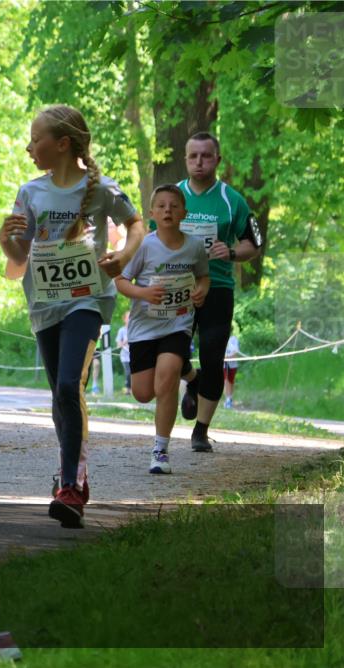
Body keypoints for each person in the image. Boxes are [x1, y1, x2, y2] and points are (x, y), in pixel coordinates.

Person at [0, 104, 144, 528]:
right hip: (45, 304)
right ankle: (70, 471)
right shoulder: (31, 192)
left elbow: (136, 224)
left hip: (88, 299)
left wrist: (124, 257)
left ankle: (71, 484)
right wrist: (4, 240)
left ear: (62, 144)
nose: (29, 147)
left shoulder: (100, 189)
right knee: (61, 397)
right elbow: (20, 255)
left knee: (68, 385)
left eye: (36, 139)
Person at [173, 132, 264, 452]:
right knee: (172, 353)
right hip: (178, 287)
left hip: (218, 288)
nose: (199, 162)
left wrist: (233, 252)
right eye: (193, 156)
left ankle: (201, 430)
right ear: (185, 159)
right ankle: (192, 381)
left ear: (217, 160)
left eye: (206, 156)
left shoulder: (232, 199)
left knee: (213, 356)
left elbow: (255, 242)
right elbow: (154, 239)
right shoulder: (173, 197)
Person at [115, 185, 210, 475]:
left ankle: (160, 451)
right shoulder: (143, 245)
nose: (168, 210)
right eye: (162, 206)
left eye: (174, 206)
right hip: (144, 327)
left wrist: (200, 292)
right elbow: (120, 281)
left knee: (165, 381)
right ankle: (193, 377)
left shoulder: (194, 246)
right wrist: (143, 294)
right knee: (143, 393)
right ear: (152, 213)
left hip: (178, 323)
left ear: (184, 213)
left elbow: (203, 277)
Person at [223, 330, 242, 409]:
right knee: (226, 380)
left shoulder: (234, 339)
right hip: (224, 364)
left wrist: (228, 358)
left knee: (231, 381)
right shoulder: (221, 338)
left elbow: (236, 353)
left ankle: (230, 398)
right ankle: (227, 399)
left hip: (233, 364)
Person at [116, 311, 131, 394]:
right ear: (124, 319)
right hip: (125, 356)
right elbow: (118, 345)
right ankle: (128, 389)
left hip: (134, 355)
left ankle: (133, 389)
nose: (130, 319)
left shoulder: (135, 329)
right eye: (128, 317)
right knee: (128, 372)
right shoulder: (121, 330)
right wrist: (125, 342)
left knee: (135, 373)